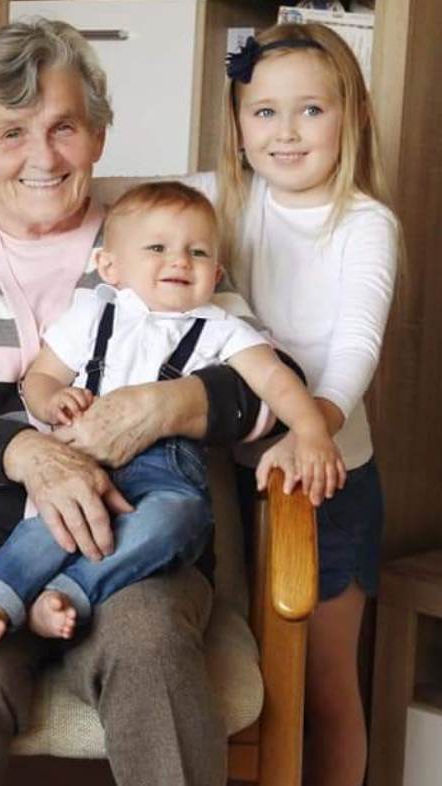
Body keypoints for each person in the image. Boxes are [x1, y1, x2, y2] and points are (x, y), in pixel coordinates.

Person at [0, 18, 294, 786]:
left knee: (151, 648)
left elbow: (265, 385)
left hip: (127, 529)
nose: (43, 155)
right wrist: (29, 453)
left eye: (64, 127)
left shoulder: (156, 232)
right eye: (12, 132)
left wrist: (164, 407)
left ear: (99, 134)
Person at [0, 181, 345, 647]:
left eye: (198, 252)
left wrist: (311, 431)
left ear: (217, 273)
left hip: (169, 473)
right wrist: (52, 400)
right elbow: (39, 377)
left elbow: (277, 381)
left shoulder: (222, 327)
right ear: (110, 266)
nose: (180, 261)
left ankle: (67, 593)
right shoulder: (93, 314)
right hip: (82, 461)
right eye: (158, 248)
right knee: (53, 524)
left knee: (179, 518)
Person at [204, 23, 398, 786]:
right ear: (238, 124)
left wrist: (312, 428)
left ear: (352, 118)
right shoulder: (223, 200)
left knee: (320, 686)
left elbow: (355, 346)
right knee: (245, 680)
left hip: (330, 481)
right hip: (230, 475)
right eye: (264, 112)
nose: (285, 132)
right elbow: (127, 211)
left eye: (311, 110)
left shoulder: (365, 223)